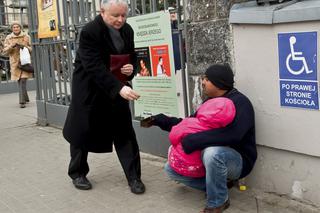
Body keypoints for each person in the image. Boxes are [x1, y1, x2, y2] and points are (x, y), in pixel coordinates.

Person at [148, 64, 257, 213]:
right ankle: (219, 187)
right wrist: (162, 120)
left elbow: (234, 135)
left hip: (238, 161)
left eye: (206, 78)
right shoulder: (209, 102)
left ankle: (218, 202)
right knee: (171, 169)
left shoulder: (241, 102)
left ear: (218, 82)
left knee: (213, 153)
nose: (202, 82)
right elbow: (190, 124)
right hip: (207, 158)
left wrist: (195, 140)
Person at [62, 0, 146, 194]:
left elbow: (132, 55)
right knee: (81, 131)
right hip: (89, 89)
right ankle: (77, 173)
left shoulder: (128, 30)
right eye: (115, 15)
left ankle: (134, 177)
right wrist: (119, 88)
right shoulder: (89, 31)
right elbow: (93, 66)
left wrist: (130, 69)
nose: (120, 20)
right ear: (102, 12)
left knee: (124, 132)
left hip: (116, 88)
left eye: (124, 15)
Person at [168, 97, 236, 178]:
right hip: (201, 170)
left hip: (179, 164)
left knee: (172, 147)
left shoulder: (189, 122)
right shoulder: (217, 133)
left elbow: (172, 137)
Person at [3, 21, 32, 108]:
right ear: (12, 29)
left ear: (20, 28)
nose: (16, 28)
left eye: (17, 27)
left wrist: (24, 46)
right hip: (15, 63)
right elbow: (5, 51)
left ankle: (22, 102)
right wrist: (11, 46)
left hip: (25, 62)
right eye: (14, 27)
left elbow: (31, 49)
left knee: (22, 80)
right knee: (20, 81)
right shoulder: (8, 37)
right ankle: (25, 97)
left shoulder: (26, 36)